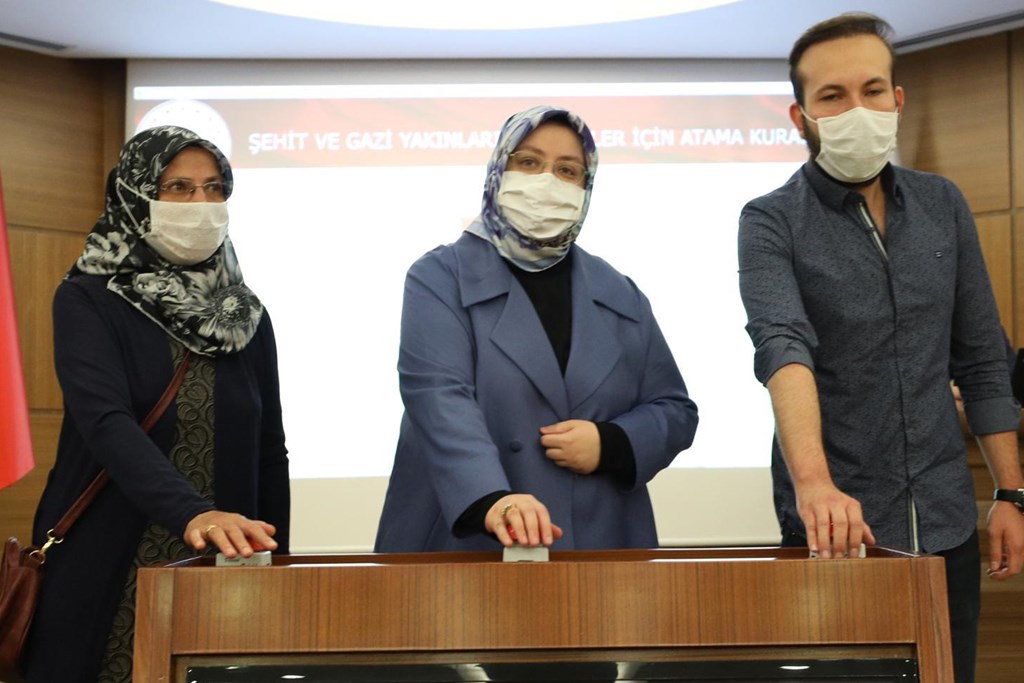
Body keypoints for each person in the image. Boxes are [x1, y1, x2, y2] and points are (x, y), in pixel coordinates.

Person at [737, 13, 1024, 683]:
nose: (856, 110)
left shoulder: (943, 203)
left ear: (897, 100)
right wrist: (816, 485)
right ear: (801, 117)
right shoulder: (770, 220)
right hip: (839, 529)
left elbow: (982, 355)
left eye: (871, 90)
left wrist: (1012, 490)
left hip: (946, 522)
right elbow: (783, 347)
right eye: (832, 96)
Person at [22, 126, 290, 683]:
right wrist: (193, 512)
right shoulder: (88, 298)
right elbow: (106, 424)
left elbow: (270, 451)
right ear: (135, 194)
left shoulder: (243, 314)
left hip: (222, 571)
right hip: (110, 561)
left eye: (214, 188)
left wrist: (277, 565)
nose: (201, 204)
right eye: (179, 187)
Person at [375, 105, 698, 552]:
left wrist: (614, 443)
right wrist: (491, 497)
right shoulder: (441, 276)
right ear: (498, 170)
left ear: (586, 186)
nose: (547, 182)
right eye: (528, 162)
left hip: (599, 543)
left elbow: (674, 409)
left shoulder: (618, 291)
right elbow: (438, 397)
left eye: (567, 171)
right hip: (470, 540)